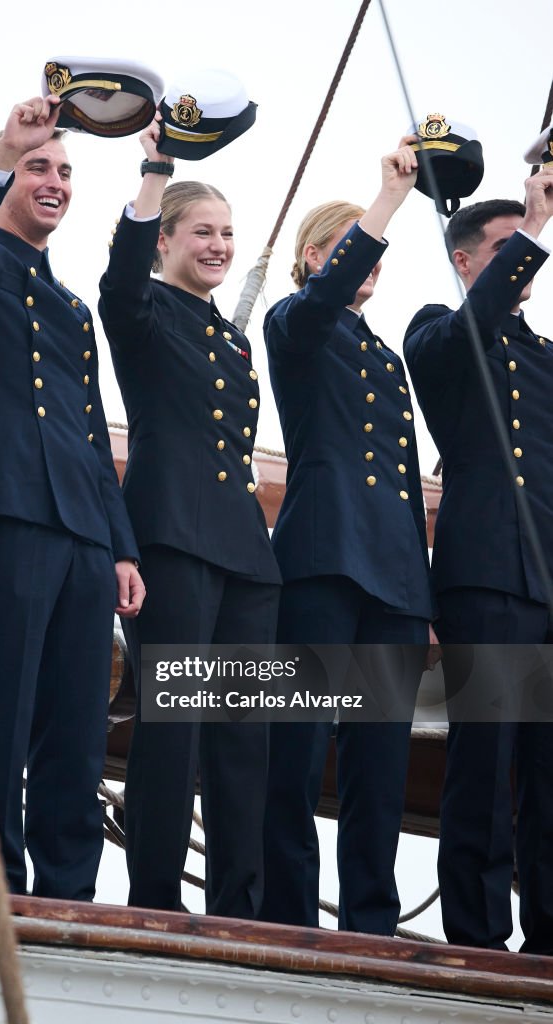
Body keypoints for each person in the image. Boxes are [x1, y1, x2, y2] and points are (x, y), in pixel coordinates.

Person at [0, 94, 145, 900]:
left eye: (63, 170)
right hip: (9, 517)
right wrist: (2, 148)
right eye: (37, 167)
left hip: (84, 536)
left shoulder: (72, 308)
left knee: (77, 730)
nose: (53, 180)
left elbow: (90, 431)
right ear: (6, 174)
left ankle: (68, 896)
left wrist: (120, 546)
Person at [98, 116, 281, 918]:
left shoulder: (231, 341)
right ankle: (156, 902)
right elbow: (118, 279)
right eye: (201, 231)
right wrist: (155, 171)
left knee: (244, 738)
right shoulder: (141, 311)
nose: (218, 245)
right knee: (173, 729)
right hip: (171, 537)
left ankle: (240, 908)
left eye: (228, 234)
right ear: (166, 237)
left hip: (245, 553)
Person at [261, 139, 434, 934]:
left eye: (368, 252)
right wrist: (387, 202)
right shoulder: (295, 324)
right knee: (294, 755)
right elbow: (319, 299)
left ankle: (370, 921)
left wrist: (418, 588)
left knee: (379, 764)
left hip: (394, 580)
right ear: (310, 259)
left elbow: (402, 479)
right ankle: (288, 914)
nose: (364, 262)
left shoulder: (386, 357)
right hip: (323, 563)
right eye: (344, 248)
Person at [404, 174, 553, 954]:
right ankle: (476, 934)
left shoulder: (545, 358)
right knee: (484, 764)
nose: (525, 261)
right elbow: (472, 329)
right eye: (505, 250)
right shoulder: (439, 333)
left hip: (546, 584)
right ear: (466, 261)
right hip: (486, 574)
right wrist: (533, 221)